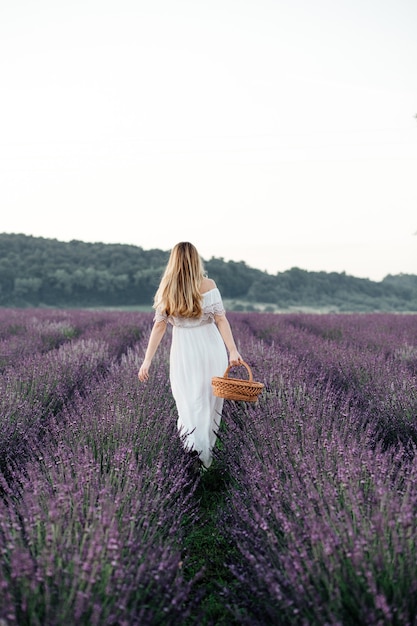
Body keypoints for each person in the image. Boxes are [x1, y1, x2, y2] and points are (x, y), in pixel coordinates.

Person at [138, 242, 243, 469]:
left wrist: (147, 361)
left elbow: (159, 327)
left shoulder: (167, 288)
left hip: (184, 350)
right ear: (196, 260)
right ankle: (205, 460)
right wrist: (232, 350)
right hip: (211, 347)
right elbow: (221, 319)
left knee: (188, 403)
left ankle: (193, 451)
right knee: (210, 403)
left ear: (173, 261)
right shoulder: (209, 285)